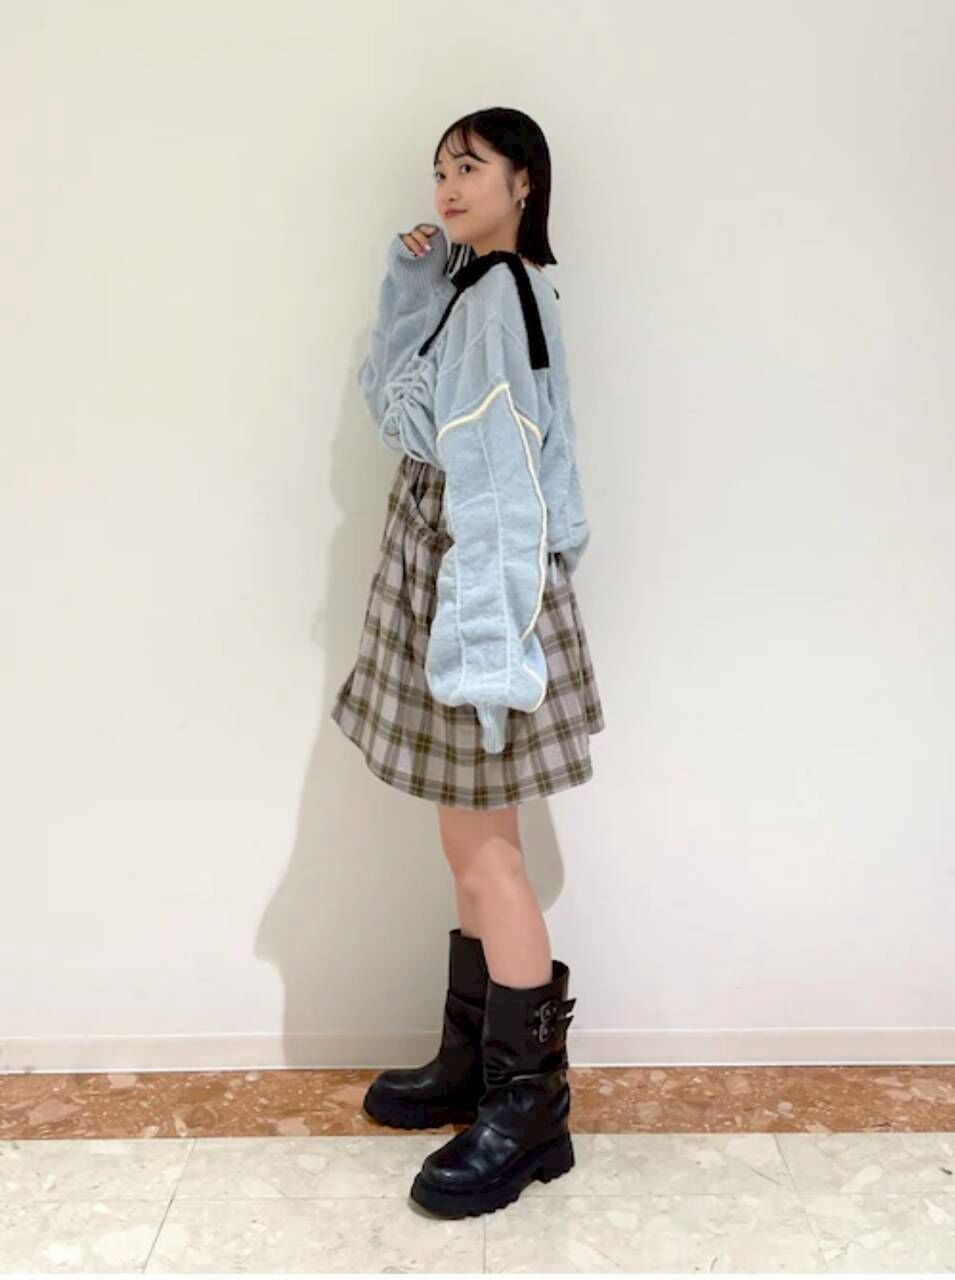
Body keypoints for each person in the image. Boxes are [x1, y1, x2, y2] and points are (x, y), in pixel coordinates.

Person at [330, 107, 605, 1218]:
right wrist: (411, 285)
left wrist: (488, 653)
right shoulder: (476, 286)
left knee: (487, 851)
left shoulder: (500, 297)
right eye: (439, 167)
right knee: (468, 845)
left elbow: (497, 482)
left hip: (481, 598)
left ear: (522, 182)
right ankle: (475, 1065)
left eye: (470, 166)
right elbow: (400, 412)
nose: (446, 184)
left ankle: (530, 1108)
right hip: (459, 583)